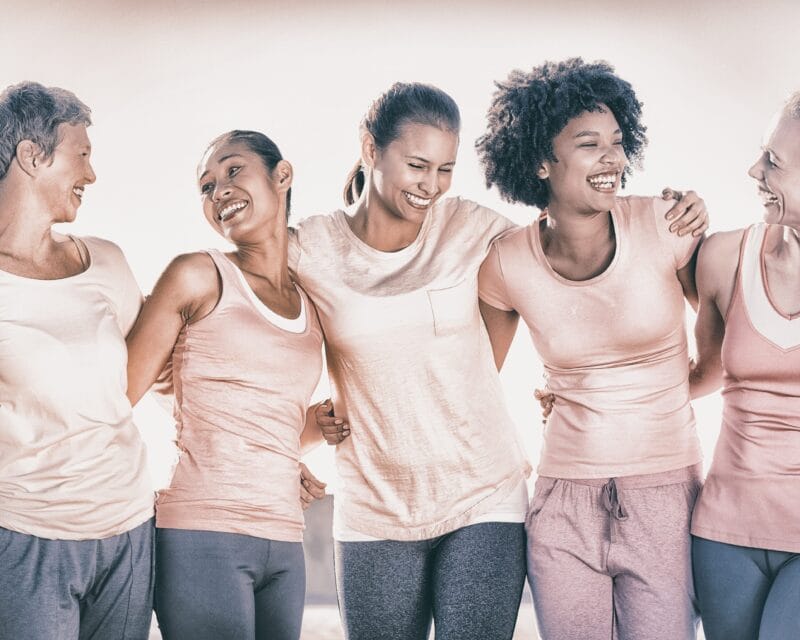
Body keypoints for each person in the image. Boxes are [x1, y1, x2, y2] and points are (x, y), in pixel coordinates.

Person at [303, 81, 707, 640]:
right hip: (373, 503)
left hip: (484, 494)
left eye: (445, 169)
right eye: (418, 165)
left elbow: (563, 269)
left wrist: (591, 386)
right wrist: (292, 436)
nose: (431, 186)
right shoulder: (311, 248)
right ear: (371, 149)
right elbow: (258, 337)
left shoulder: (475, 230)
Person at [476, 58, 707, 640]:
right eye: (589, 144)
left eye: (617, 142)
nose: (613, 159)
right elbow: (473, 376)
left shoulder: (665, 224)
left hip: (664, 496)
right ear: (540, 160)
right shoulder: (506, 261)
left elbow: (734, 338)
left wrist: (669, 395)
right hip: (562, 503)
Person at [125, 130, 326, 640]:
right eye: (206, 185)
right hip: (202, 531)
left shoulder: (314, 299)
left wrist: (309, 432)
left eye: (234, 171)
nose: (219, 192)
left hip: (284, 536)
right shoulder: (196, 274)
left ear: (281, 176)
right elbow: (116, 396)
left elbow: (255, 416)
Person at [0, 82, 155, 639]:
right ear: (31, 155)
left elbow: (167, 374)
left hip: (130, 529)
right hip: (26, 538)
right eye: (82, 155)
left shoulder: (106, 261)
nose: (91, 175)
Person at [689, 93, 800, 640]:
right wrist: (587, 388)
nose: (754, 171)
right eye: (763, 154)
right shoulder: (722, 257)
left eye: (774, 162)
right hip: (724, 532)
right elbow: (698, 373)